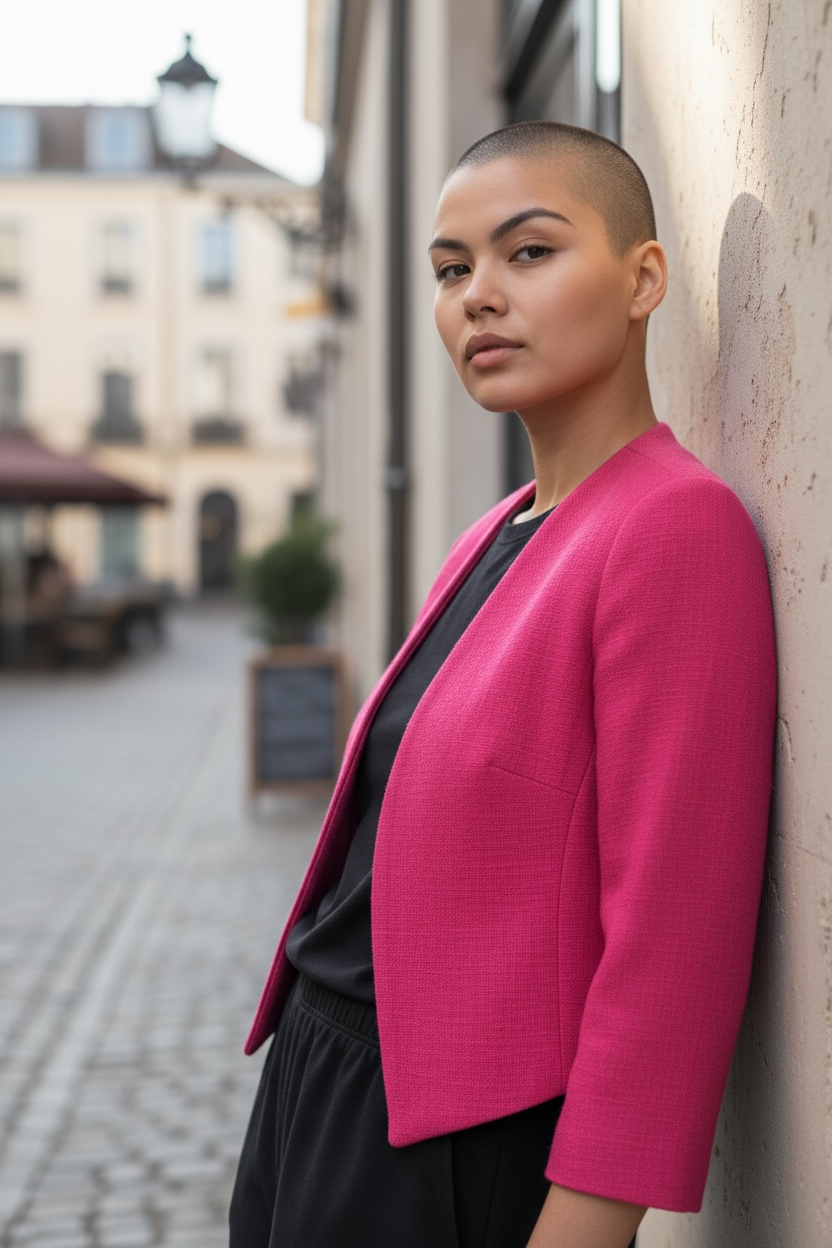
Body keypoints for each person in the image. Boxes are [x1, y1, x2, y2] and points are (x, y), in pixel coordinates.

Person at [230, 121, 777, 1248]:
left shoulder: (676, 528)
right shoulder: (493, 534)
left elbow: (677, 928)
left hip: (456, 1145)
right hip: (322, 1092)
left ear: (642, 279)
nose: (478, 295)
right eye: (450, 269)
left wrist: (588, 1220)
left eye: (528, 252)